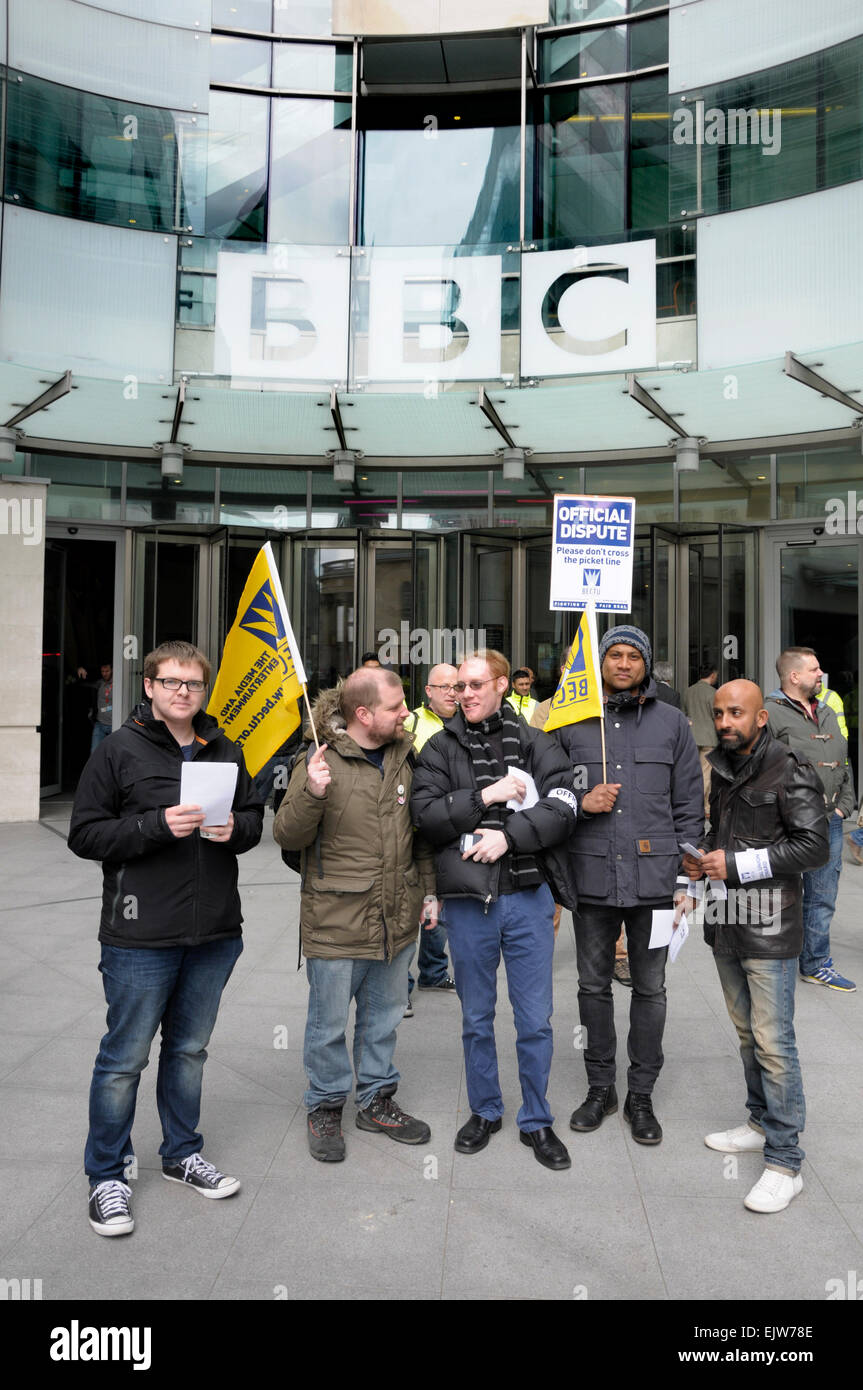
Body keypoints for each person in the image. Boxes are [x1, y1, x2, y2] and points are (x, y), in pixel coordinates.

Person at [68, 641, 263, 1237]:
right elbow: (85, 833)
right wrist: (154, 826)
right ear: (148, 685)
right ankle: (107, 1174)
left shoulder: (225, 746)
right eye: (171, 681)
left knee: (188, 1052)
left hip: (213, 932)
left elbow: (255, 817)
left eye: (194, 684)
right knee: (124, 1058)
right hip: (139, 934)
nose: (183, 691)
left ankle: (181, 1155)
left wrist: (235, 829)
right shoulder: (119, 750)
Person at [411, 649, 582, 1172]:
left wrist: (509, 837)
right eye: (458, 686)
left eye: (475, 684)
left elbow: (565, 804)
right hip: (469, 905)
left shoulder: (535, 741)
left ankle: (537, 1119)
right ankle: (485, 1110)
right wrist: (489, 794)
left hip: (529, 899)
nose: (464, 694)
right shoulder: (438, 747)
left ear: (503, 685)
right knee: (475, 1017)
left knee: (535, 1020)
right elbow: (426, 816)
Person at [273, 668, 435, 1162]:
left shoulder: (407, 758)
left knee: (384, 1016)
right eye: (395, 706)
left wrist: (428, 893)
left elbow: (420, 836)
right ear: (363, 714)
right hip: (336, 919)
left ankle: (376, 1098)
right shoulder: (320, 759)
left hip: (397, 914)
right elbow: (287, 836)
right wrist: (312, 793)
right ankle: (325, 1104)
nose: (406, 712)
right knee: (328, 1026)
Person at [682, 680, 829, 1212]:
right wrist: (698, 858)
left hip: (770, 924)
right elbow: (724, 834)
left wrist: (739, 864)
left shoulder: (789, 767)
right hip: (726, 918)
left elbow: (814, 847)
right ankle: (759, 1121)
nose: (724, 722)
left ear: (761, 717)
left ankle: (786, 1162)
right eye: (719, 713)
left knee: (773, 1041)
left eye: (736, 713)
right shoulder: (722, 768)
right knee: (747, 1034)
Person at [556, 625, 703, 1145]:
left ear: (646, 664)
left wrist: (690, 878)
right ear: (600, 664)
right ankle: (600, 1089)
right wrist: (581, 795)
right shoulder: (573, 722)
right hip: (591, 879)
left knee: (651, 988)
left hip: (657, 883)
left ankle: (641, 1095)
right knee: (592, 988)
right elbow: (548, 792)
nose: (622, 664)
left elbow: (689, 805)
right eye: (613, 655)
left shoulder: (672, 724)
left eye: (631, 656)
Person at [766, 647, 856, 992]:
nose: (821, 674)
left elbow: (843, 760)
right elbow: (758, 768)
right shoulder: (770, 713)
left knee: (823, 895)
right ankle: (775, 960)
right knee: (781, 891)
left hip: (829, 821)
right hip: (787, 823)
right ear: (794, 676)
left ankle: (816, 963)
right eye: (815, 670)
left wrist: (843, 806)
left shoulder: (829, 710)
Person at [402, 664, 460, 1003]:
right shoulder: (410, 723)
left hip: (448, 829)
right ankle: (400, 985)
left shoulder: (466, 723)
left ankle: (434, 973)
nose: (452, 693)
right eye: (444, 687)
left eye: (457, 686)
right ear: (428, 691)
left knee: (440, 905)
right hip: (412, 829)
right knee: (412, 907)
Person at [684, 664, 718, 819]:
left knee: (694, 772)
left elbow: (684, 714)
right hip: (708, 738)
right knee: (706, 774)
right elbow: (716, 715)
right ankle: (699, 806)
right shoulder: (713, 693)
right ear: (712, 675)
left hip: (691, 737)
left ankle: (707, 807)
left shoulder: (688, 691)